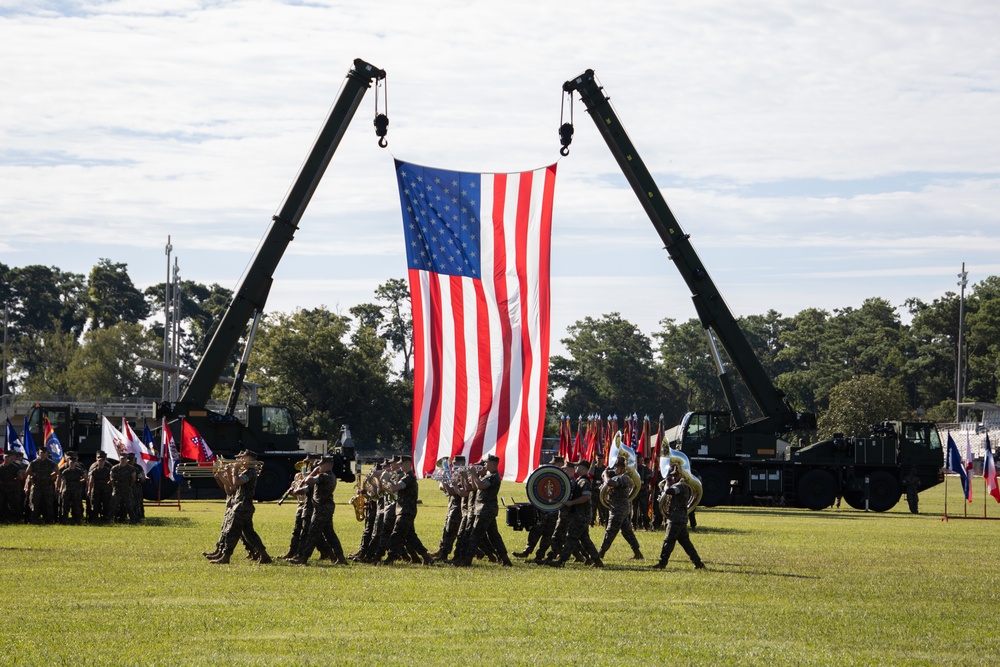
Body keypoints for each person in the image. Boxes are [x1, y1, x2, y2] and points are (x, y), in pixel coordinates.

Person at [208, 450, 272, 565]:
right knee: (249, 534)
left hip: (243, 506)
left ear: (251, 459)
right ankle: (264, 555)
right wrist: (225, 474)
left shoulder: (251, 472)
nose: (240, 460)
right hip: (240, 505)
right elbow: (230, 488)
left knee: (232, 532)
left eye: (243, 458)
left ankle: (226, 556)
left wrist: (235, 470)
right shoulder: (246, 471)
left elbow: (236, 482)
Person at [287, 456, 348, 565]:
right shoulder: (327, 476)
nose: (318, 466)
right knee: (329, 534)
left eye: (321, 464)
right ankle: (341, 558)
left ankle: (303, 558)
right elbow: (309, 488)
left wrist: (313, 472)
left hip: (322, 508)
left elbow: (307, 480)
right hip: (325, 507)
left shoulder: (325, 476)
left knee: (312, 533)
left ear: (328, 465)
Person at [453, 455, 512, 567]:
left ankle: (467, 561)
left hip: (485, 510)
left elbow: (481, 486)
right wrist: (468, 476)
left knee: (475, 535)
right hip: (483, 509)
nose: (484, 465)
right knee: (494, 536)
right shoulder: (489, 476)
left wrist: (474, 474)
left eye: (486, 463)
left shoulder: (493, 477)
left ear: (492, 463)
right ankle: (505, 559)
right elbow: (475, 487)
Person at [379, 455, 432, 566]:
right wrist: (385, 483)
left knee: (396, 535)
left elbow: (394, 488)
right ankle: (426, 557)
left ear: (408, 463)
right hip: (402, 510)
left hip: (406, 510)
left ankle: (390, 558)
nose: (400, 465)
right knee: (410, 536)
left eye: (402, 463)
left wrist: (386, 479)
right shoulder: (405, 476)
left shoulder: (409, 477)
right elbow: (392, 489)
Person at [550, 459, 603, 568]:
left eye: (577, 466)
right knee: (585, 540)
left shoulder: (584, 482)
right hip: (579, 515)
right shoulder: (580, 480)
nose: (575, 468)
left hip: (581, 516)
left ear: (584, 468)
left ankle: (561, 561)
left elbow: (586, 496)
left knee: (570, 538)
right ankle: (597, 561)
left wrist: (571, 503)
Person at [652, 466, 705, 570]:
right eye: (672, 475)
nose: (673, 477)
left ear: (681, 475)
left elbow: (670, 491)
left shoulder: (681, 485)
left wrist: (667, 485)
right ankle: (698, 564)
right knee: (686, 544)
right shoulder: (679, 485)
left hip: (676, 519)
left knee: (668, 541)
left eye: (675, 475)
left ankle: (662, 563)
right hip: (679, 518)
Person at [598, 457, 644, 560]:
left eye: (616, 467)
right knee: (627, 532)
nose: (614, 469)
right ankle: (638, 553)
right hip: (621, 508)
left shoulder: (623, 478)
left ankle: (601, 553)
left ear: (623, 468)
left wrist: (605, 476)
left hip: (618, 510)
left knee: (610, 531)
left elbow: (610, 483)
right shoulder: (622, 477)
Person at [428, 455, 466, 562]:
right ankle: (441, 550)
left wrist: (445, 482)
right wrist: (443, 479)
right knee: (446, 529)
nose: (453, 465)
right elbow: (443, 488)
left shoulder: (463, 476)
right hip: (451, 506)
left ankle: (444, 554)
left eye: (456, 463)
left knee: (451, 531)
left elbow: (451, 491)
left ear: (462, 463)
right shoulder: (454, 475)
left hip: (458, 508)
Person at [25, 446, 58, 524]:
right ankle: (33, 520)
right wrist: (34, 475)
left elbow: (57, 471)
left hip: (47, 486)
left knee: (48, 503)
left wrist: (50, 477)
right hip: (36, 486)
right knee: (34, 503)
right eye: (41, 453)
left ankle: (49, 520)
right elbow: (27, 471)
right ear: (39, 453)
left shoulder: (50, 463)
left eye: (44, 453)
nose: (42, 455)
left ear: (47, 454)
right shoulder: (34, 462)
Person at [57, 451, 87, 524]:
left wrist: (79, 481)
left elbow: (86, 478)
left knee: (76, 505)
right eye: (70, 462)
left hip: (76, 490)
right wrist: (60, 489)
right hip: (67, 490)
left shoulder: (79, 469)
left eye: (73, 462)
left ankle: (77, 520)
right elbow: (62, 480)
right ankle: (64, 520)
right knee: (65, 506)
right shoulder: (65, 471)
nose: (72, 464)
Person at [109, 453, 139, 523]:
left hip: (127, 489)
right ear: (119, 459)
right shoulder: (114, 468)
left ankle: (133, 519)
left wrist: (129, 485)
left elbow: (133, 479)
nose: (123, 460)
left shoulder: (131, 468)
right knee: (113, 505)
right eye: (121, 459)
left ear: (126, 459)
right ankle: (109, 519)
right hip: (117, 489)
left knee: (130, 505)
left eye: (124, 459)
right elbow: (111, 478)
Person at [0, 450, 27, 523]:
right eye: (6, 457)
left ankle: (14, 519)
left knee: (13, 504)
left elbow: (21, 477)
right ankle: (3, 519)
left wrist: (14, 480)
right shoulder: (1, 467)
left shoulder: (15, 467)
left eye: (8, 457)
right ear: (3, 457)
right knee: (2, 504)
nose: (7, 459)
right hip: (2, 489)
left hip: (12, 488)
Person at [87, 451, 113, 522]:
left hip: (106, 489)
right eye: (99, 458)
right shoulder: (93, 467)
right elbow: (90, 479)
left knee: (106, 504)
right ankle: (94, 519)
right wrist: (89, 489)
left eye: (103, 459)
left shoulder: (109, 466)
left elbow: (111, 478)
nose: (101, 461)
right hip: (96, 489)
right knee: (95, 504)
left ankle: (106, 518)